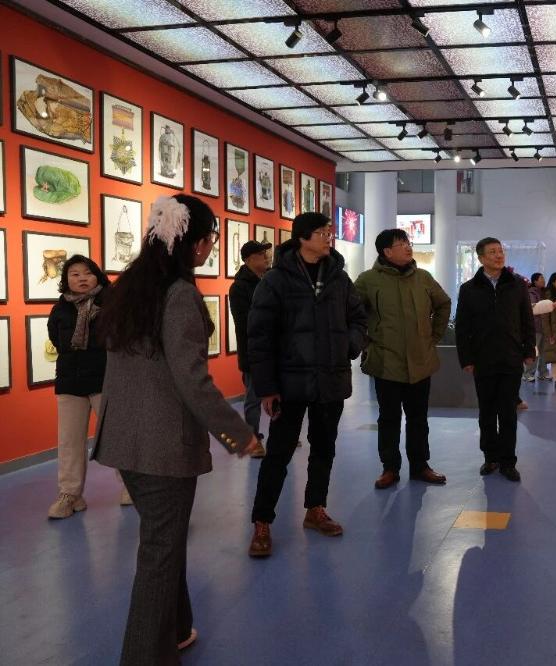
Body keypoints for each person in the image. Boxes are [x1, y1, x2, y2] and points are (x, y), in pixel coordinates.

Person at [93, 194, 259, 665]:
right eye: (210, 239)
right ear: (197, 243)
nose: (210, 247)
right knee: (160, 553)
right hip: (162, 447)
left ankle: (179, 628)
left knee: (165, 541)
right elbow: (193, 380)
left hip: (125, 440)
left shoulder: (130, 286)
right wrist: (239, 433)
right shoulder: (180, 294)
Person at [247, 212, 366, 557]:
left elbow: (359, 318)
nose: (329, 237)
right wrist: (267, 387)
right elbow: (259, 337)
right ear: (302, 238)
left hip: (330, 379)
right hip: (289, 383)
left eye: (330, 232)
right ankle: (262, 522)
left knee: (324, 448)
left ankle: (316, 509)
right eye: (322, 232)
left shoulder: (339, 278)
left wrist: (349, 345)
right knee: (278, 454)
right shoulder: (275, 281)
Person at [355, 229, 451, 490]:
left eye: (408, 242)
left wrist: (433, 336)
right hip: (386, 362)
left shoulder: (423, 277)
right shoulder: (367, 280)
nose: (408, 247)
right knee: (388, 418)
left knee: (418, 418)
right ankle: (390, 468)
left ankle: (420, 466)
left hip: (420, 361)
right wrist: (365, 341)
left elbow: (443, 304)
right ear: (387, 252)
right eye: (401, 244)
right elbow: (351, 313)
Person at [46, 255, 131, 518]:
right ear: (66, 280)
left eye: (87, 273)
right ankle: (70, 495)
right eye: (74, 274)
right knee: (69, 441)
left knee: (117, 436)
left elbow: (123, 337)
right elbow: (56, 339)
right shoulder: (60, 308)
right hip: (70, 381)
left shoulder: (112, 303)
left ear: (97, 276)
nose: (82, 278)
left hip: (105, 378)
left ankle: (132, 487)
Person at [455, 238, 535, 482]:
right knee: (487, 412)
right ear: (481, 258)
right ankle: (490, 457)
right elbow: (462, 327)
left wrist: (529, 351)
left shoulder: (517, 285)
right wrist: (466, 358)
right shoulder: (469, 289)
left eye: (500, 251)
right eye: (492, 252)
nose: (499, 255)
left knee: (508, 413)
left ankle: (508, 461)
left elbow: (527, 320)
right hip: (483, 360)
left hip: (511, 358)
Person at [229, 240, 272, 459]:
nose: (266, 257)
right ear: (249, 260)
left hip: (272, 349)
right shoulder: (239, 288)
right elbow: (246, 322)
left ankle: (279, 436)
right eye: (261, 254)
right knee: (253, 398)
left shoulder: (267, 281)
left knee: (277, 395)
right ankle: (253, 439)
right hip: (253, 351)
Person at [523, 272, 555, 383]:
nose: (543, 280)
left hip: (544, 327)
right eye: (541, 278)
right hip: (535, 327)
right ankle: (528, 374)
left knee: (544, 351)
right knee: (534, 352)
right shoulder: (531, 293)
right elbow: (533, 308)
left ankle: (543, 373)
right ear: (535, 281)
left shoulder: (544, 293)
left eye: (543, 278)